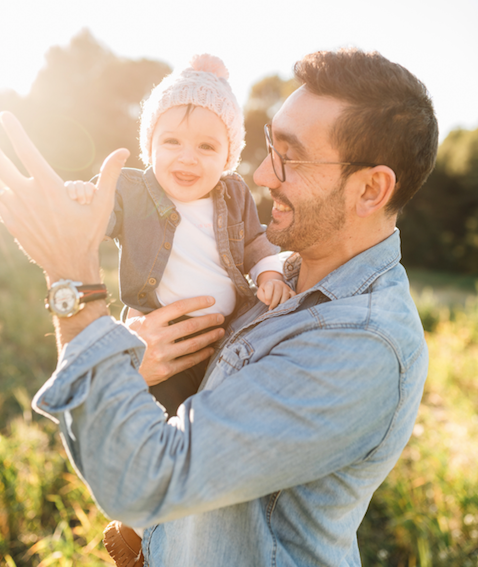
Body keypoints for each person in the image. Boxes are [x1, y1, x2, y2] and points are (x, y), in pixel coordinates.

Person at [0, 47, 438, 567]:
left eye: (289, 157)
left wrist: (72, 278)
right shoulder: (280, 276)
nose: (262, 176)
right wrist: (130, 366)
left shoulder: (361, 344)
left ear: (371, 189)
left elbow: (147, 480)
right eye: (269, 148)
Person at [65, 53, 293, 565]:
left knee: (205, 439)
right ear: (150, 145)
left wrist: (270, 272)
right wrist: (82, 198)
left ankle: (182, 537)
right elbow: (98, 214)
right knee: (156, 433)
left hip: (222, 346)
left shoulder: (233, 196)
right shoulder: (135, 190)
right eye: (170, 142)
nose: (186, 158)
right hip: (163, 343)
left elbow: (256, 245)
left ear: (229, 155)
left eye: (207, 146)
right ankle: (138, 532)